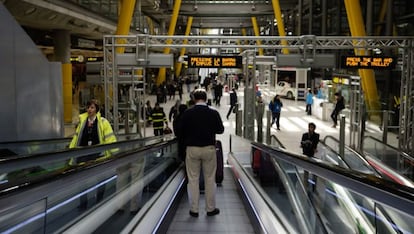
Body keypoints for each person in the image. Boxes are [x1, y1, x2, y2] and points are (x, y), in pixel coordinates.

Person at [178, 89, 224, 217]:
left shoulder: (187, 113)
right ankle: (210, 209)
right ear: (205, 98)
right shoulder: (213, 113)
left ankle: (194, 209)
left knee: (193, 179)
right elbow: (220, 130)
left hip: (192, 149)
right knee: (210, 179)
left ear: (194, 99)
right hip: (209, 149)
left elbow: (180, 131)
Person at [69, 99, 117, 209]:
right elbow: (76, 138)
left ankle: (99, 201)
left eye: (92, 107)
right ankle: (83, 203)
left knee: (100, 178)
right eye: (88, 107)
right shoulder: (82, 122)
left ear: (96, 109)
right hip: (83, 155)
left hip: (98, 155)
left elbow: (109, 138)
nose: (89, 109)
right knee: (82, 180)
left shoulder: (103, 122)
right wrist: (71, 152)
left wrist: (115, 152)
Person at [300, 122, 320, 191]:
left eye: (312, 127)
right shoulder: (305, 135)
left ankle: (314, 187)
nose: (310, 129)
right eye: (310, 127)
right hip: (306, 154)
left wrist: (310, 143)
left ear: (314, 129)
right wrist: (306, 143)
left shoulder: (316, 135)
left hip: (313, 155)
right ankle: (305, 186)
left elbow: (315, 144)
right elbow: (302, 144)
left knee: (314, 172)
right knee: (306, 171)